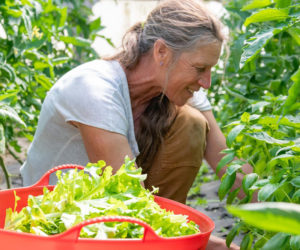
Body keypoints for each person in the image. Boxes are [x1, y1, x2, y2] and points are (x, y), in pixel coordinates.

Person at [20, 0, 245, 248]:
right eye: (200, 68)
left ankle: (163, 242)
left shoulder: (178, 83)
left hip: (111, 210)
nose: (207, 82)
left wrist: (287, 221)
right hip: (57, 222)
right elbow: (128, 200)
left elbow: (229, 165)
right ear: (162, 52)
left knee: (191, 123)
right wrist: (216, 246)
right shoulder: (94, 89)